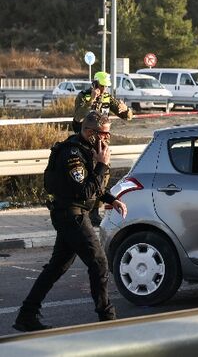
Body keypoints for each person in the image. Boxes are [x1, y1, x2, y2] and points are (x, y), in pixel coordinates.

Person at [14, 111, 128, 332]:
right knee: (99, 263)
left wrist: (111, 200)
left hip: (72, 213)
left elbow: (93, 188)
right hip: (71, 215)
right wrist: (102, 165)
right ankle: (107, 318)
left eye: (108, 134)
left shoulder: (86, 149)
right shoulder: (72, 154)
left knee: (57, 266)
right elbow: (84, 190)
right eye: (104, 134)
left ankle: (26, 315)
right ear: (89, 132)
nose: (107, 139)